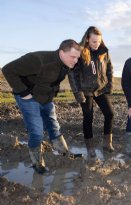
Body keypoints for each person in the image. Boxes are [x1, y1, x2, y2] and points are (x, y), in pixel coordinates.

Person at [2, 39, 82, 174]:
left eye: (77, 58)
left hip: (46, 98)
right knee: (37, 133)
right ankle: (37, 163)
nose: (75, 61)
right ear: (62, 52)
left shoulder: (66, 64)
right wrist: (24, 92)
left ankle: (64, 153)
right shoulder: (38, 59)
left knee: (54, 126)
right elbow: (7, 70)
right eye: (72, 57)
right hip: (28, 97)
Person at [68, 26, 114, 158]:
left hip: (100, 89)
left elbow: (110, 68)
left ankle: (107, 144)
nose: (97, 44)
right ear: (87, 39)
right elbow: (73, 75)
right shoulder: (80, 52)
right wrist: (78, 93)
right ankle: (90, 148)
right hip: (85, 90)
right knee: (88, 117)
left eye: (99, 41)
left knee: (109, 114)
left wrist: (109, 85)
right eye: (94, 41)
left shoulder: (104, 51)